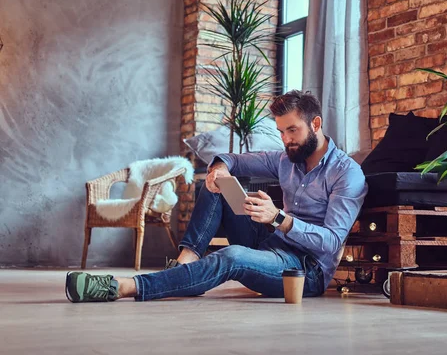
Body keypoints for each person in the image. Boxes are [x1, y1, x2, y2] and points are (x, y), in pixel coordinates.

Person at [65, 90, 368, 302]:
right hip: (270, 245)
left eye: (292, 131)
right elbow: (231, 158)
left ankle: (122, 287)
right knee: (218, 183)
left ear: (315, 124)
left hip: (305, 270)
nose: (286, 140)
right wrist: (219, 169)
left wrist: (278, 218)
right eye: (281, 132)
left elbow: (330, 242)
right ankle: (187, 262)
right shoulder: (285, 158)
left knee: (231, 257)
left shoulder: (347, 173)